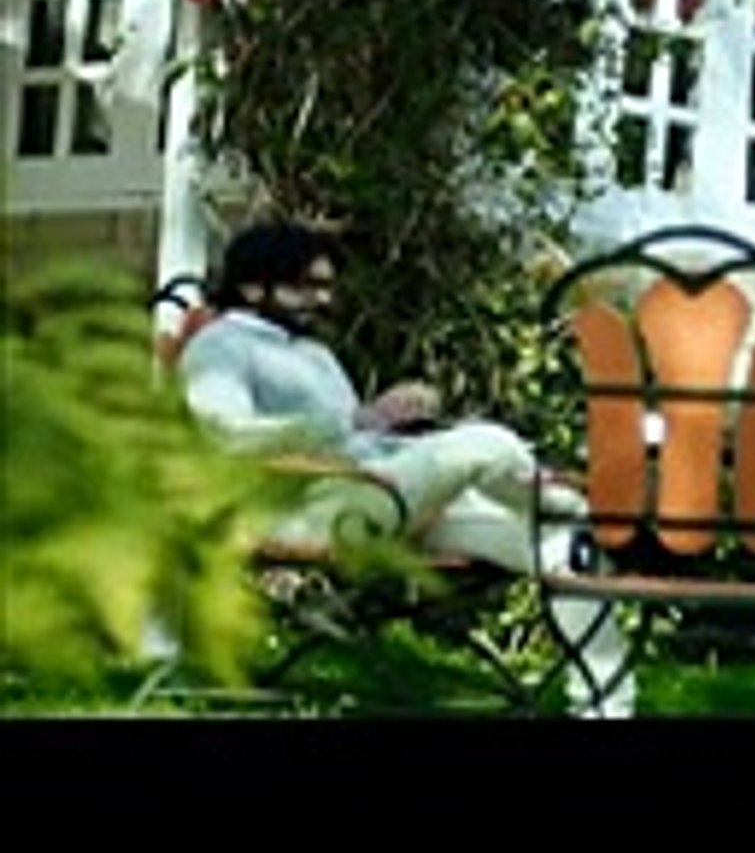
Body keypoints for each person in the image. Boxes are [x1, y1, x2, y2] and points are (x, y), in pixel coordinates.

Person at [176, 221, 635, 717]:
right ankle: (568, 499)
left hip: (383, 492)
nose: (322, 299)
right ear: (251, 287)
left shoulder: (312, 351)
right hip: (312, 508)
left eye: (327, 286)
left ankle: (604, 708)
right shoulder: (219, 346)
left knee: (566, 542)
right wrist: (358, 419)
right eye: (306, 286)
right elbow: (226, 435)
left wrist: (396, 423)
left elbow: (352, 433)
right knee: (488, 444)